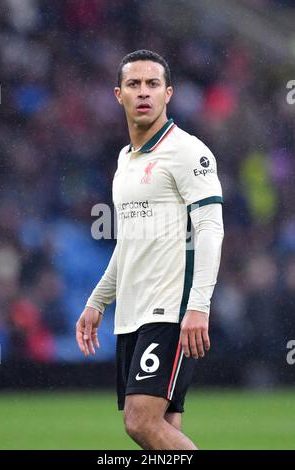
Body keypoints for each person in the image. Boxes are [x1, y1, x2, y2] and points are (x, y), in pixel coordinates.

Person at [76, 50, 224, 450]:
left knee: (140, 422)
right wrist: (97, 301)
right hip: (133, 314)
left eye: (153, 84)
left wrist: (199, 306)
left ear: (169, 93)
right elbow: (128, 245)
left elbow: (211, 229)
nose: (144, 93)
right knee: (162, 431)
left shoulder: (189, 152)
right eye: (134, 84)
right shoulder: (125, 161)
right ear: (118, 94)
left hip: (171, 311)